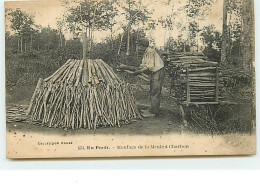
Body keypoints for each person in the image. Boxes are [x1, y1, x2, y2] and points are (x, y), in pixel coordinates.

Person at [133, 38, 164, 117]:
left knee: (155, 91)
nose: (139, 48)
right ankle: (153, 109)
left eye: (140, 46)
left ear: (143, 46)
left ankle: (153, 112)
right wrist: (138, 69)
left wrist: (139, 71)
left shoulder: (150, 52)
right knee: (152, 90)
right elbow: (144, 64)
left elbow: (149, 66)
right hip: (154, 72)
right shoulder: (146, 52)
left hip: (158, 72)